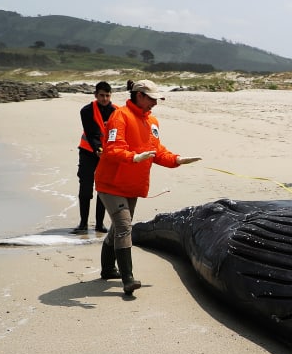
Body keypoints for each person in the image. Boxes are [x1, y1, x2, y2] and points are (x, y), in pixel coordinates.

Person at [95, 80, 201, 295]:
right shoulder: (120, 116)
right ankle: (128, 279)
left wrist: (177, 160)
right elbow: (112, 150)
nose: (155, 103)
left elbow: (158, 151)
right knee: (125, 226)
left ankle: (107, 269)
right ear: (140, 95)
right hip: (111, 183)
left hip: (132, 184)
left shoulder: (152, 121)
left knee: (118, 228)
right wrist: (134, 157)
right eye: (152, 98)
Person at [73, 81, 117, 233]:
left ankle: (99, 224)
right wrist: (98, 149)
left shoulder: (117, 111)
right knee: (85, 188)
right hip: (87, 152)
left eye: (107, 95)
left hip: (107, 155)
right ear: (95, 95)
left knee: (103, 189)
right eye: (101, 95)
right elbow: (92, 134)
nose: (105, 99)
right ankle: (83, 224)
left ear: (111, 95)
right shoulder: (86, 111)